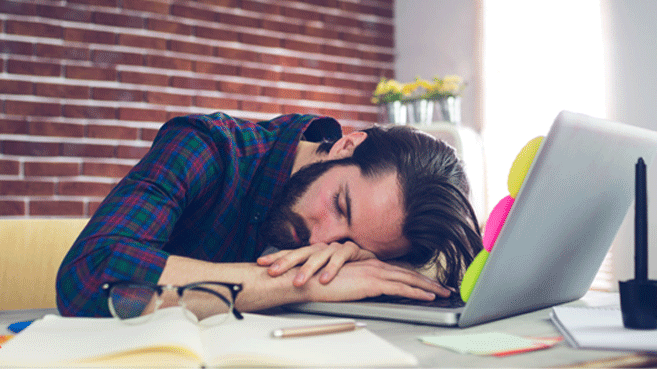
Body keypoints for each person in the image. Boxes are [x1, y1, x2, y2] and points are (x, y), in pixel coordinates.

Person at [56, 112, 482, 317]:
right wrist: (300, 284)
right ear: (345, 146)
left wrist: (365, 264)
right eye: (339, 204)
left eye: (348, 241)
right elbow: (90, 277)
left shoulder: (357, 239)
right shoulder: (207, 148)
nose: (321, 241)